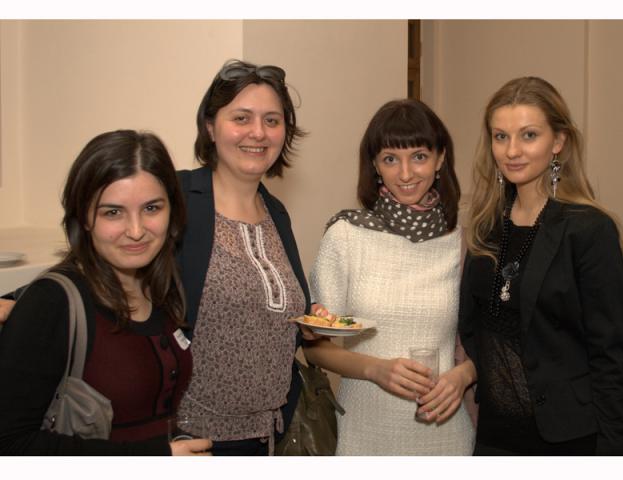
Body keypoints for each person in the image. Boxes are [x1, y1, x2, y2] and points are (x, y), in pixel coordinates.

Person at [0, 130, 211, 455]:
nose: (136, 230)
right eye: (113, 212)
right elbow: (10, 445)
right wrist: (156, 458)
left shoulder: (161, 287)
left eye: (152, 208)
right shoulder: (53, 302)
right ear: (84, 217)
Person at [459, 76, 623, 455]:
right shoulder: (487, 227)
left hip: (567, 440)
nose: (512, 151)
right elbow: (475, 329)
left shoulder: (588, 229)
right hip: (492, 437)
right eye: (501, 136)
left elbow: (611, 355)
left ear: (558, 141)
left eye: (529, 135)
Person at [303, 99, 476, 455]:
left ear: (440, 159)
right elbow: (315, 348)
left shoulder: (461, 241)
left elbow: (492, 343)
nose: (406, 173)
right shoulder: (346, 235)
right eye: (391, 159)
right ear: (375, 165)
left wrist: (464, 375)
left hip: (445, 434)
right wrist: (375, 369)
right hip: (362, 431)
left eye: (419, 156)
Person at [175, 60, 310, 455]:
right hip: (193, 440)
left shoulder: (276, 213)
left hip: (267, 437)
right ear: (210, 126)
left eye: (272, 120)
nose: (258, 132)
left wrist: (309, 322)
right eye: (241, 118)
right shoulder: (178, 199)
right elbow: (110, 264)